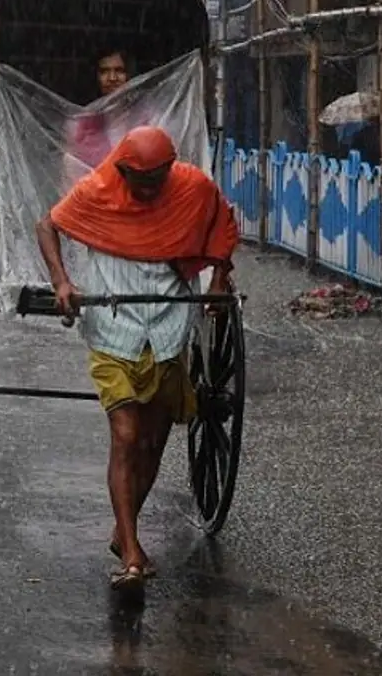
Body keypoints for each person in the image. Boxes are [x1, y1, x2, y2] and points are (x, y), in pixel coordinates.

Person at [35, 126, 239, 591]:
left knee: (153, 439)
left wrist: (218, 281)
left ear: (171, 169)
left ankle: (122, 529)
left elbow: (222, 227)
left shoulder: (193, 188)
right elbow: (46, 225)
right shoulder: (97, 191)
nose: (149, 190)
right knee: (126, 433)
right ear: (123, 170)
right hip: (113, 328)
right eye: (140, 181)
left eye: (158, 179)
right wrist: (61, 282)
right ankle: (131, 552)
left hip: (169, 325)